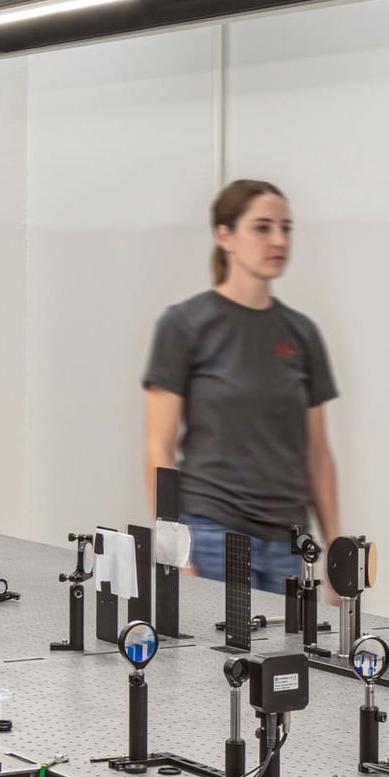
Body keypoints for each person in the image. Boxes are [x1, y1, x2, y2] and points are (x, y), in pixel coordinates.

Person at [142, 178, 340, 593]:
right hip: (212, 535)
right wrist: (172, 548)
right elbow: (158, 447)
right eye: (263, 227)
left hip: (290, 543)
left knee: (289, 657)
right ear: (225, 235)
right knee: (213, 659)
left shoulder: (302, 333)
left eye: (286, 228)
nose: (278, 240)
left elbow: (318, 454)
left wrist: (337, 556)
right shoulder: (184, 325)